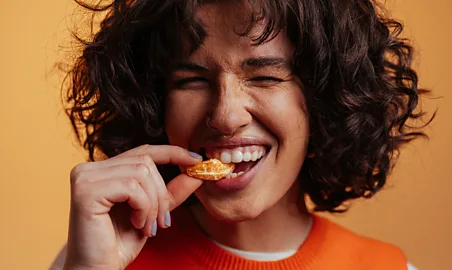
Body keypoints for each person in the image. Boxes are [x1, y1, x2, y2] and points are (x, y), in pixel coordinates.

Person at [53, 0, 430, 269]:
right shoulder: (94, 258)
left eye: (265, 77)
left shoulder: (389, 267)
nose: (225, 116)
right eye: (191, 81)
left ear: (325, 102)